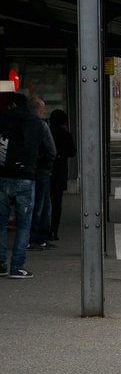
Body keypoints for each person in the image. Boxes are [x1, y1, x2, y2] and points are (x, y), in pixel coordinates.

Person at [0, 93, 47, 279]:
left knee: (1, 223)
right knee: (24, 225)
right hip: (26, 178)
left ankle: (1, 264)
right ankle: (17, 266)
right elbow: (48, 150)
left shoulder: (3, 120)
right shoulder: (37, 123)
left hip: (2, 176)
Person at [28, 97, 56, 250]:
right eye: (42, 108)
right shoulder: (42, 125)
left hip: (30, 168)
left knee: (37, 204)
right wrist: (47, 161)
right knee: (42, 204)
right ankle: (39, 237)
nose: (44, 111)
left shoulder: (22, 124)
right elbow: (51, 150)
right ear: (36, 109)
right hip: (42, 169)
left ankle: (36, 237)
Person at [47, 109, 76, 241]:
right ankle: (54, 230)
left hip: (45, 171)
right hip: (60, 172)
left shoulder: (47, 132)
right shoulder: (66, 135)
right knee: (57, 203)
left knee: (42, 202)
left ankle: (42, 230)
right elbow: (72, 152)